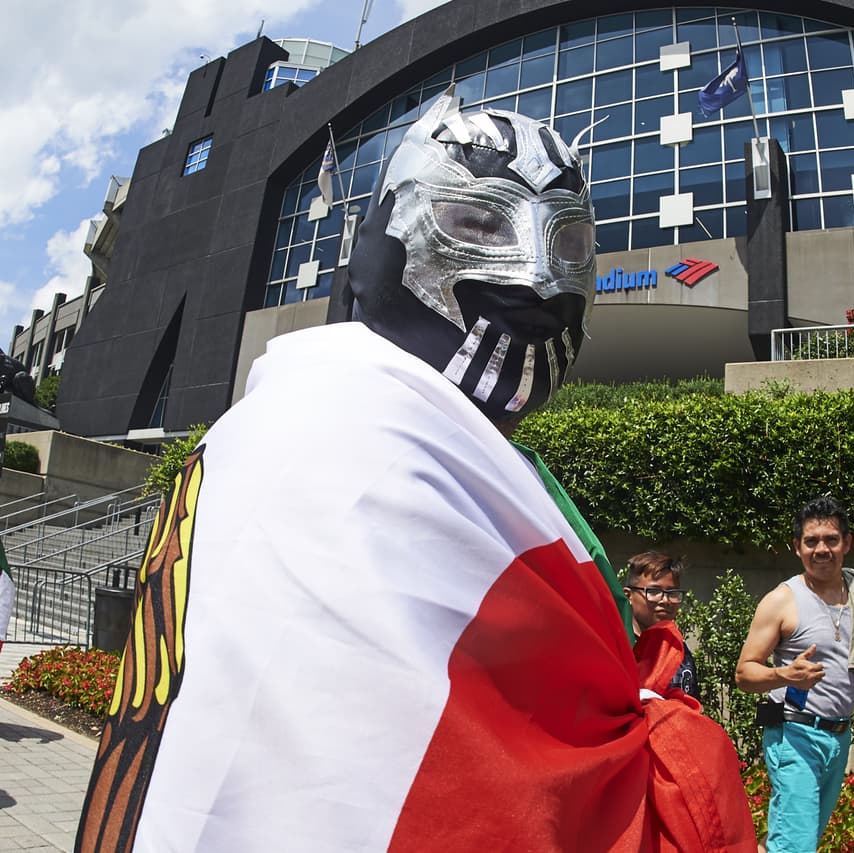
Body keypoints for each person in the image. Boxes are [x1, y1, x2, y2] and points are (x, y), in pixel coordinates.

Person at [77, 88, 755, 852]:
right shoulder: (353, 447)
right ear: (382, 238)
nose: (537, 274)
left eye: (567, 242)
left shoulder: (270, 429)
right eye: (479, 221)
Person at [735, 495, 854, 853]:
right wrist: (786, 676)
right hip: (792, 734)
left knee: (792, 837)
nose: (821, 549)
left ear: (846, 543)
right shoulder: (781, 600)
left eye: (830, 540)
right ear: (797, 547)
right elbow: (745, 673)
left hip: (838, 737)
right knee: (797, 844)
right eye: (811, 542)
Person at [624, 551, 698, 700]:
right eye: (654, 591)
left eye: (672, 593)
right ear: (628, 596)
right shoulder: (618, 648)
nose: (665, 600)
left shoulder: (679, 649)